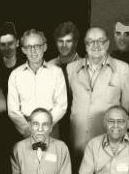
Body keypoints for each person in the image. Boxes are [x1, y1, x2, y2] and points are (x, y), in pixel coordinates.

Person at [67, 27, 129, 156]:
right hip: (77, 142)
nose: (95, 45)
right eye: (91, 41)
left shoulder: (123, 69)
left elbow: (126, 109)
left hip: (109, 144)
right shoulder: (71, 69)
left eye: (100, 41)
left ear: (107, 43)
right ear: (85, 45)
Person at [8, 29, 67, 138]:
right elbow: (13, 110)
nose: (33, 51)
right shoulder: (15, 75)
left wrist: (45, 127)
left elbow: (61, 106)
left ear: (44, 47)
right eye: (28, 47)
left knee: (52, 155)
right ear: (23, 50)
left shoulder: (56, 72)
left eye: (37, 46)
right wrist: (27, 129)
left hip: (51, 129)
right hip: (25, 131)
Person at [49, 21, 80, 146]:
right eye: (60, 41)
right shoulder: (48, 66)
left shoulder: (85, 66)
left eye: (68, 41)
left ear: (76, 42)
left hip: (77, 126)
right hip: (54, 124)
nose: (64, 45)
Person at [0, 22, 24, 96]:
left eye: (10, 43)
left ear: (17, 43)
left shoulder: (26, 67)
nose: (7, 48)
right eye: (3, 44)